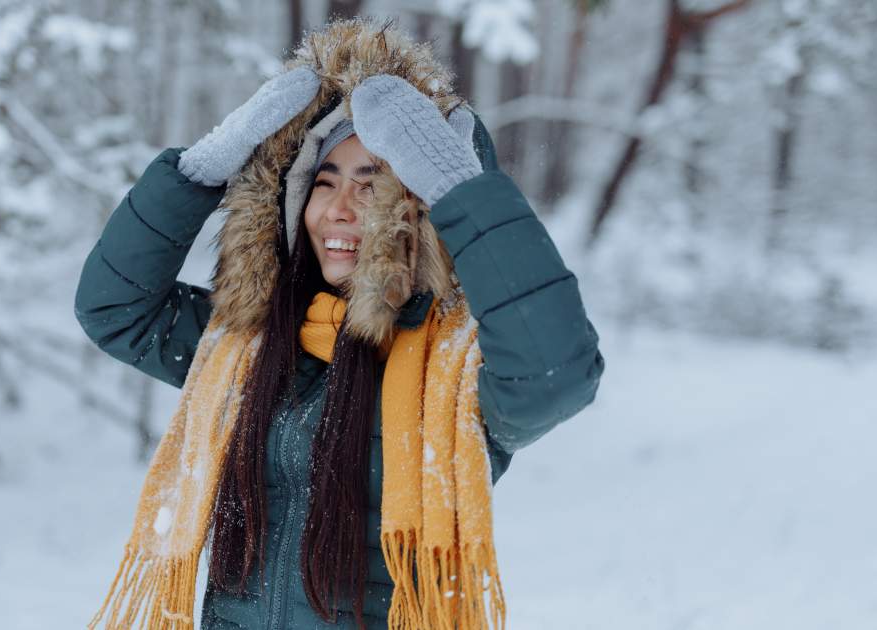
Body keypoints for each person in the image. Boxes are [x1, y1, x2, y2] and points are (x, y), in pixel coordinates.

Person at [76, 19, 604, 630]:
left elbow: (554, 374)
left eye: (372, 183)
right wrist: (195, 175)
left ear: (419, 207)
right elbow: (114, 307)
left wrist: (464, 190)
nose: (340, 210)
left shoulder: (458, 377)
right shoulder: (248, 346)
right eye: (322, 182)